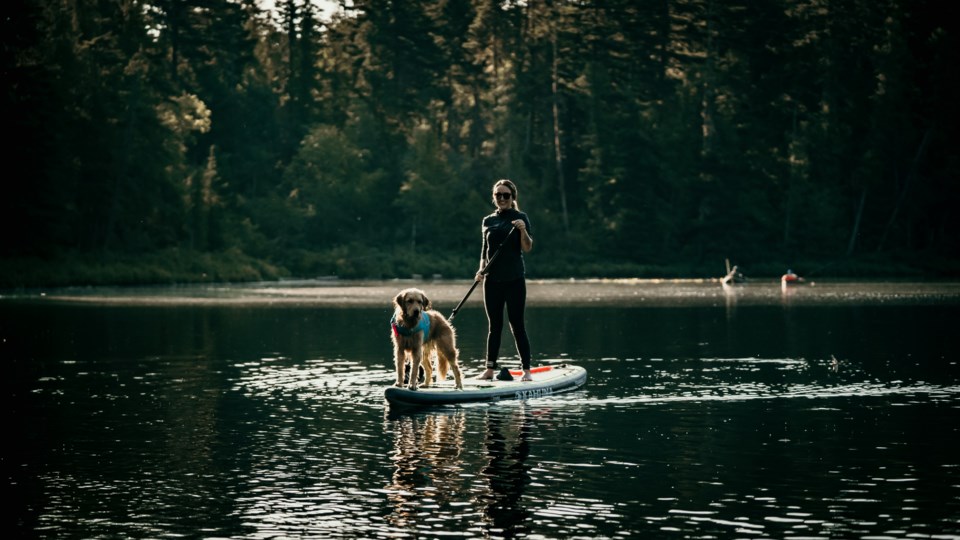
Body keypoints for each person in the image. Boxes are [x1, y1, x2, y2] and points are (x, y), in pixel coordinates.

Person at [475, 179, 534, 381]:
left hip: (515, 279)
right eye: (498, 195)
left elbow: (527, 247)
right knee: (494, 326)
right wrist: (480, 270)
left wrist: (523, 230)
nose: (501, 198)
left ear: (512, 197)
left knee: (517, 325)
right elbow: (485, 249)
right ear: (494, 197)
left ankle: (526, 371)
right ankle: (490, 369)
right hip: (492, 281)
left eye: (506, 195)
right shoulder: (488, 221)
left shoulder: (521, 217)